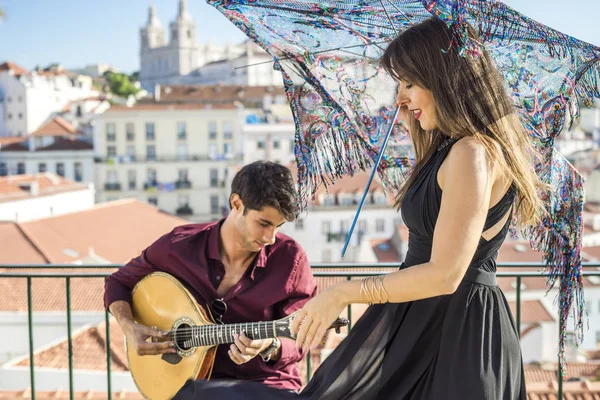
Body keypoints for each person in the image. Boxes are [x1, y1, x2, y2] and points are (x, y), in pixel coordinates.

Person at [173, 16, 545, 400]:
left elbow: (446, 274)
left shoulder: (471, 152)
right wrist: (415, 118)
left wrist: (343, 293)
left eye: (410, 83)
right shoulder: (455, 149)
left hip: (455, 335)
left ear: (443, 78)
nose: (399, 97)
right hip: (426, 324)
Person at [104, 160, 317, 393]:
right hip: (192, 384)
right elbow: (119, 282)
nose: (270, 237)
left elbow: (300, 335)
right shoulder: (178, 246)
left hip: (265, 384)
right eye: (264, 223)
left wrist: (271, 344)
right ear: (236, 203)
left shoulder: (291, 259)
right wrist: (129, 327)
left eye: (278, 226)